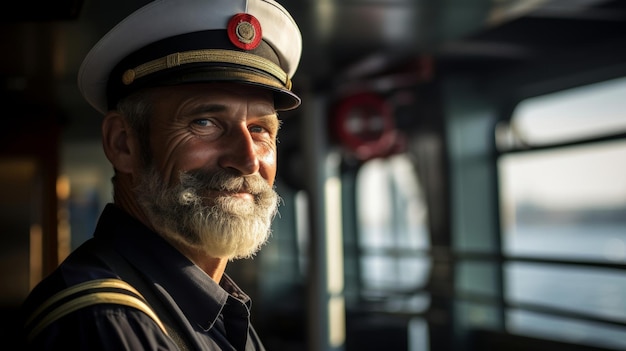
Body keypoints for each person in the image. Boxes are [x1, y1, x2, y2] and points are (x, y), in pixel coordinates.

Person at [19, 0, 302, 349]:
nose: (246, 160)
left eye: (259, 129)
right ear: (124, 144)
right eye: (205, 122)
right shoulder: (106, 324)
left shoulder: (210, 308)